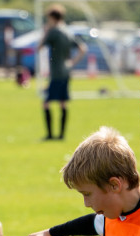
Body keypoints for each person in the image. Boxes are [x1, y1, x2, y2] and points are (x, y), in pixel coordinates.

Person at [37, 5, 86, 141]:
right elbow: (82, 48)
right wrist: (71, 63)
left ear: (52, 18)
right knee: (63, 103)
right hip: (66, 71)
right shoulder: (68, 31)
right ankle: (62, 135)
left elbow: (39, 47)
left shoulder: (54, 32)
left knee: (46, 103)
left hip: (57, 73)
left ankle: (50, 135)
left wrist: (46, 32)